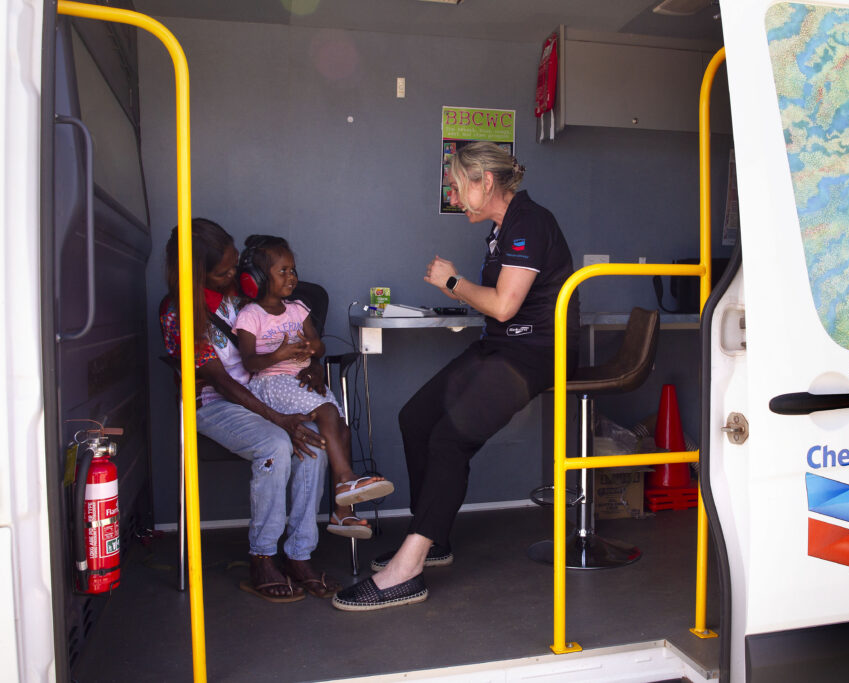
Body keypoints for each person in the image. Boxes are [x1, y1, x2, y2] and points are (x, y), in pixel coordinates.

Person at [333, 141, 580, 611]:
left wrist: (452, 282)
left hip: (534, 354)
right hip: (502, 346)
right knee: (415, 418)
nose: (453, 193)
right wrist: (462, 289)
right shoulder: (501, 229)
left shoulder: (529, 222)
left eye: (455, 184)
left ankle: (409, 569)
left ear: (484, 182)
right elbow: (501, 307)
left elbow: (505, 305)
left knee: (449, 439)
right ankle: (436, 537)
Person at [160, 218, 339, 602]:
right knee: (277, 444)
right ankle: (263, 556)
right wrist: (280, 420)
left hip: (266, 391)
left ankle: (299, 554)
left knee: (316, 442)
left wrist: (310, 365)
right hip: (215, 404)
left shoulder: (241, 298)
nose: (232, 276)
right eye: (223, 271)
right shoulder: (180, 313)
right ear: (198, 273)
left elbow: (286, 337)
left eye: (234, 265)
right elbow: (222, 382)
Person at [233, 234, 394, 539]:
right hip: (271, 383)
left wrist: (312, 348)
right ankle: (346, 478)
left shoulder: (297, 309)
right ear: (257, 279)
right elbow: (249, 363)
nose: (292, 277)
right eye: (283, 271)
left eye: (293, 270)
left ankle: (341, 514)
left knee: (342, 429)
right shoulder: (250, 315)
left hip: (300, 381)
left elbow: (319, 347)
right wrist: (279, 354)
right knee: (328, 413)